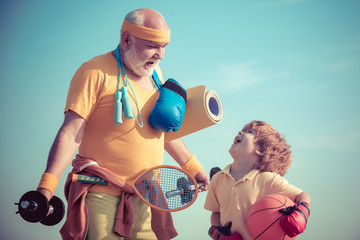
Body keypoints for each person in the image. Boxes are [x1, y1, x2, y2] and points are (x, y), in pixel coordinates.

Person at [35, 8, 209, 240]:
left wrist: (193, 168)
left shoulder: (156, 74)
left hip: (147, 199)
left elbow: (163, 132)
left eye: (164, 46)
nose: (161, 55)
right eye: (153, 46)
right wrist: (46, 187)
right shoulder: (94, 71)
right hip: (101, 196)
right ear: (126, 39)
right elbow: (70, 134)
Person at [204, 120, 311, 240]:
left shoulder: (266, 179)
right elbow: (216, 213)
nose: (240, 132)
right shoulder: (218, 178)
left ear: (260, 150)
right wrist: (217, 233)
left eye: (249, 132)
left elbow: (302, 195)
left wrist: (302, 212)